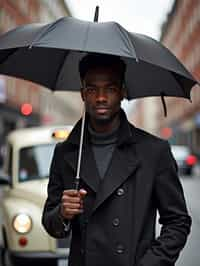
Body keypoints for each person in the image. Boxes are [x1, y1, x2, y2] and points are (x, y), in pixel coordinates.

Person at [42, 54, 192, 266]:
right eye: (92, 89)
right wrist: (62, 213)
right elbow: (50, 223)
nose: (101, 97)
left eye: (110, 89)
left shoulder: (153, 151)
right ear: (83, 94)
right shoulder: (65, 152)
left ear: (122, 92)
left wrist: (151, 263)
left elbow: (178, 222)